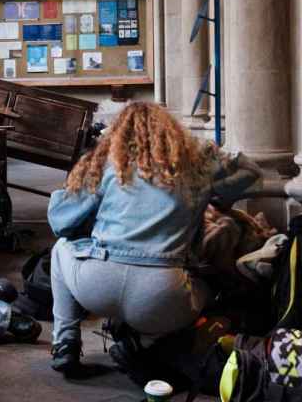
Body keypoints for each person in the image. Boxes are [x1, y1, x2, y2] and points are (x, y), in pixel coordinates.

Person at [46, 103, 261, 377]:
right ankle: (145, 343)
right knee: (208, 283)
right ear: (172, 131)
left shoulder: (110, 164)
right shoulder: (197, 165)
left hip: (96, 285)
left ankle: (65, 342)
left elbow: (60, 222)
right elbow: (251, 174)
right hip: (161, 294)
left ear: (119, 134)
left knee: (61, 249)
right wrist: (214, 186)